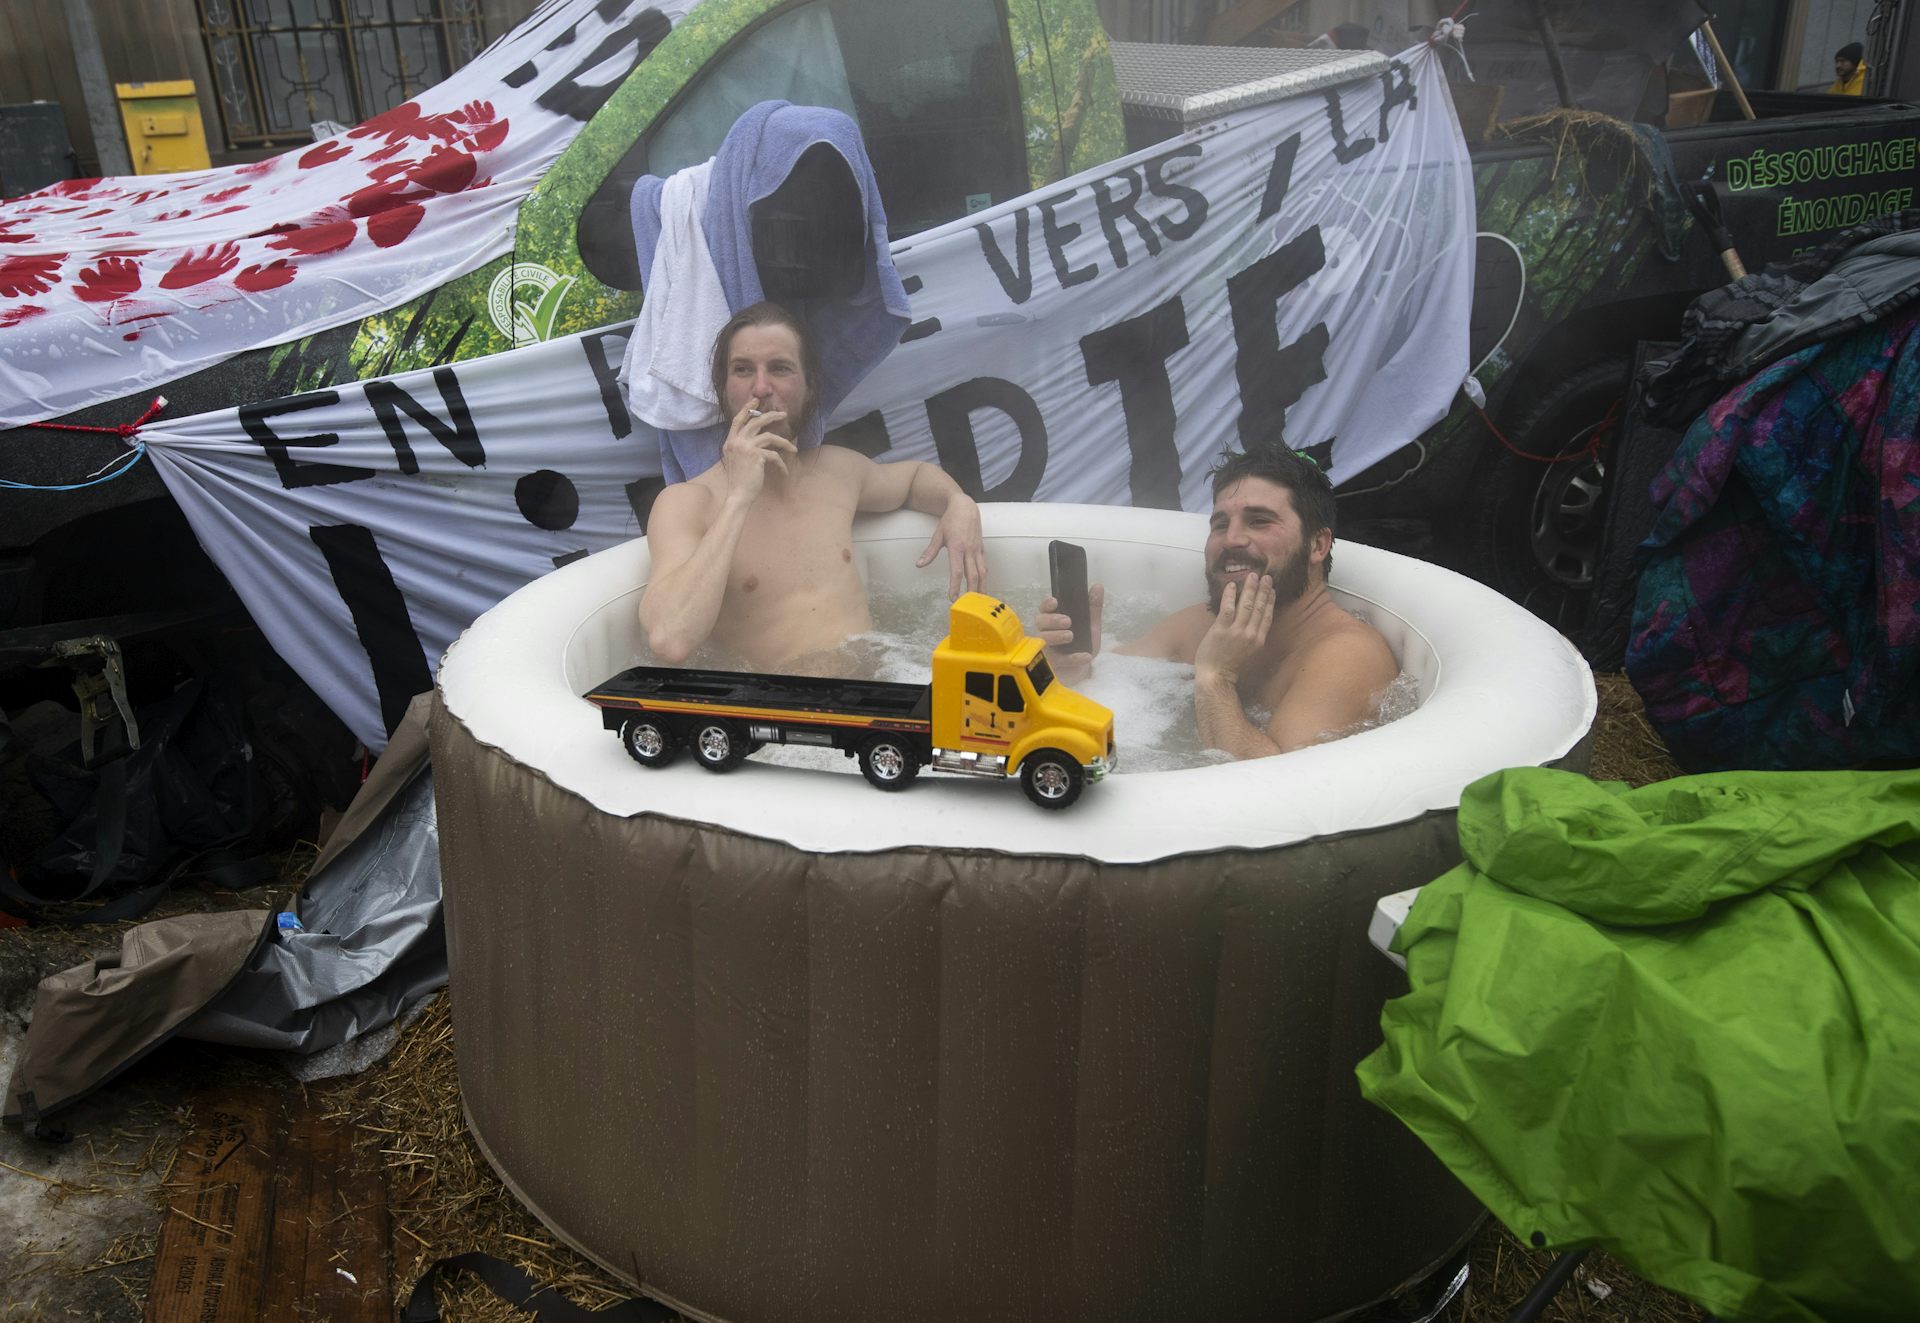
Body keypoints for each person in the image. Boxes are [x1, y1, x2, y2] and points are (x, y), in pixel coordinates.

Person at [638, 302, 985, 672]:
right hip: (784, 715)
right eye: (742, 370)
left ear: (809, 386)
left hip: (884, 684)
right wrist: (739, 497)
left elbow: (914, 478)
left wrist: (957, 501)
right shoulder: (687, 503)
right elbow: (670, 639)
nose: (760, 388)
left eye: (780, 368)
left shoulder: (835, 471)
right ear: (723, 389)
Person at [1037, 447, 1398, 759]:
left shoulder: (1347, 654)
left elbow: (1282, 790)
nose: (1232, 539)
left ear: (1318, 545)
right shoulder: (1196, 626)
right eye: (1220, 524)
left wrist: (1215, 678)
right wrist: (1073, 672)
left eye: (1259, 521)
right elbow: (1106, 692)